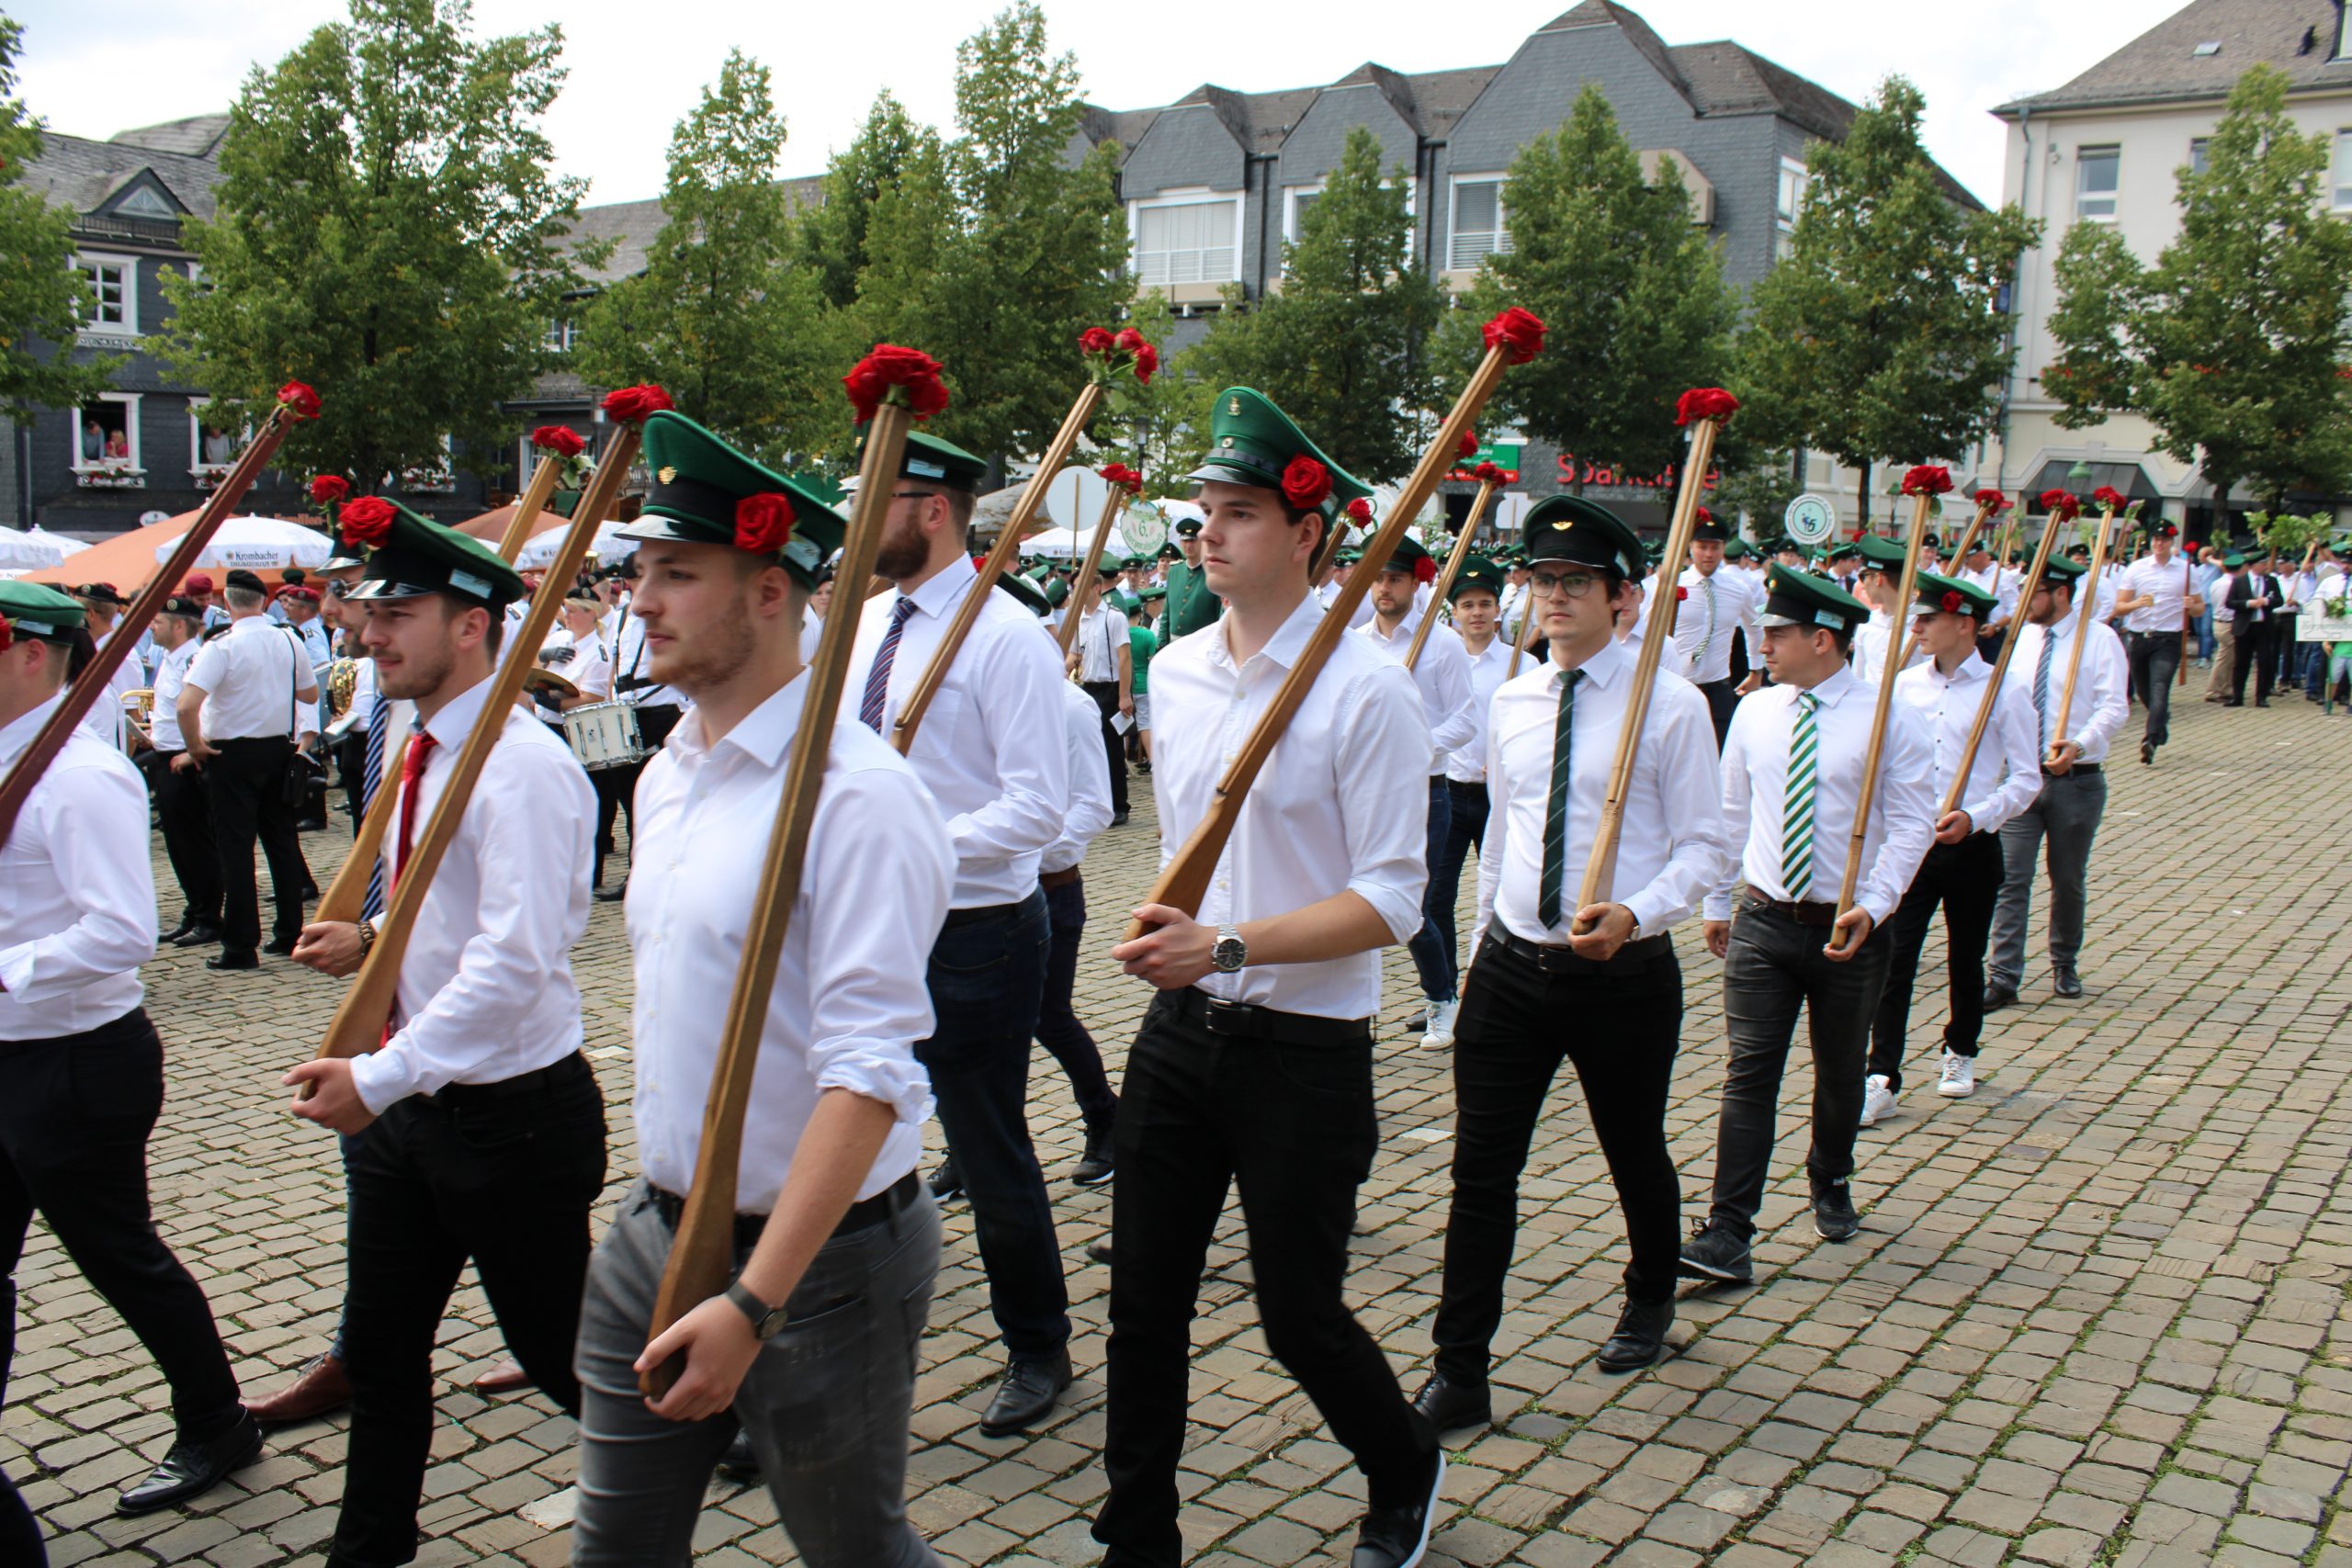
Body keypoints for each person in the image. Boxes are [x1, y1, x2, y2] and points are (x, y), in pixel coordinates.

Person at [560, 413, 950, 1567]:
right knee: (615, 1551)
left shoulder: (859, 797)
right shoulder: (669, 774)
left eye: (676, 574)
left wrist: (751, 1303)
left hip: (822, 1266)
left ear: (770, 591)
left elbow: (870, 1075)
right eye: (640, 572)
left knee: (856, 1553)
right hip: (655, 1228)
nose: (639, 601)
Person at [1095, 388, 1443, 1568]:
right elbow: (1185, 844)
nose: (1209, 531)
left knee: (1298, 1315)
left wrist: (1228, 945)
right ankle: (1138, 1533)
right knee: (1143, 1302)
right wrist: (1175, 932)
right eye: (1206, 509)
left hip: (1304, 1053)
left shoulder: (1365, 687)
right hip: (1180, 1036)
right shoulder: (1181, 670)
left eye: (1239, 512)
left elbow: (1393, 899)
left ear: (1307, 533)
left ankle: (1404, 1465)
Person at [281, 502, 605, 1568]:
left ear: (471, 626)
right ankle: (369, 1547)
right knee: (381, 1351)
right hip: (408, 1102)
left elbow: (516, 962)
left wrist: (378, 1077)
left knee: (560, 1355)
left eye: (397, 615)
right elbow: (450, 912)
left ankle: (718, 1435)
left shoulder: (522, 767)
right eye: (368, 612)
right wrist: (374, 937)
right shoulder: (423, 745)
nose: (368, 634)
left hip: (507, 1119)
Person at [1412, 500, 1729, 1432]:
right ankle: (1460, 1369)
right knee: (1481, 1171)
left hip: (1621, 974)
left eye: (1576, 582)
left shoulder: (1667, 705)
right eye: (1543, 580)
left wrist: (1638, 911)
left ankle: (1650, 1293)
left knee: (1632, 1149)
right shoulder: (1511, 699)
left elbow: (1706, 846)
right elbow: (1507, 843)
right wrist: (1480, 950)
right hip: (1513, 969)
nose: (1554, 596)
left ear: (1621, 597)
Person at [0, 581, 264, 1519]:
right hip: (14, 1050)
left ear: (32, 653)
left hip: (74, 1060)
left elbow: (121, 930)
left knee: (118, 1253)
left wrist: (5, 970)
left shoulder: (76, 775)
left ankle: (217, 1419)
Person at [850, 430, 1073, 1437]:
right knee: (837, 1140)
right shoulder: (863, 623)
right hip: (863, 921)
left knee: (987, 1151)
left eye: (879, 497)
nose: (859, 518)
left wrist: (910, 842)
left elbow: (1037, 808)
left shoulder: (1006, 635)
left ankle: (1039, 1346)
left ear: (933, 509)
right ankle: (817, 1363)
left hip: (974, 932)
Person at [1679, 566, 1934, 1285]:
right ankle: (1729, 1228)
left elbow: (1912, 823)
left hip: (1848, 929)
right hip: (1765, 919)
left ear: (1823, 638)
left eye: (1777, 633)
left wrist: (1874, 903)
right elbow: (1730, 812)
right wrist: (1718, 901)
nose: (1762, 644)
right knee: (1749, 1072)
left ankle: (1831, 1172)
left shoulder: (1888, 716)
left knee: (1840, 1070)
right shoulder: (1757, 711)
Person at [1860, 572, 2040, 1121]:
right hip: (1912, 844)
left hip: (1972, 844)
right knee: (1895, 960)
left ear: (1964, 624)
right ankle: (1881, 1075)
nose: (1916, 629)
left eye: (1927, 619)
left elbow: (2026, 779)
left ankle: (1960, 1050)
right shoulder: (1903, 686)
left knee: (1965, 957)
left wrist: (1976, 815)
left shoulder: (2003, 690)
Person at [996, 572, 1121, 1188]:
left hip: (1049, 889)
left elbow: (1093, 806)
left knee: (1048, 1016)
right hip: (983, 894)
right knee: (982, 1029)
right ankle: (974, 1148)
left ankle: (1106, 1120)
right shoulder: (984, 696)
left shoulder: (1069, 706)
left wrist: (1026, 852)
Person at [1351, 533, 1476, 1049]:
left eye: (1396, 578)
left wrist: (1415, 746)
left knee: (1412, 906)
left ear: (1416, 581)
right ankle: (1357, 1011)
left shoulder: (1442, 643)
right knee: (1356, 900)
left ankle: (1442, 999)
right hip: (1367, 789)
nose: (1385, 588)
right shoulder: (1355, 643)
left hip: (1425, 791)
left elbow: (1466, 720)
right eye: (1378, 578)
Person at [1985, 556, 2126, 1007]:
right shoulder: (2022, 639)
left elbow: (2114, 707)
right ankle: (2003, 975)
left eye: (2034, 592)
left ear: (2061, 593)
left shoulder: (2099, 639)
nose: (2024, 600)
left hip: (2076, 781)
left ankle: (2064, 961)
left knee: (2067, 878)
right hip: (2022, 779)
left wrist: (2080, 744)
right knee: (2010, 877)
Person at [176, 568, 318, 970]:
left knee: (236, 849)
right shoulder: (288, 639)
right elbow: (310, 694)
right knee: (282, 842)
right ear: (264, 602)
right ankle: (289, 933)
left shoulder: (221, 646)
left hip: (231, 755)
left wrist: (195, 747)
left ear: (227, 602)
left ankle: (241, 946)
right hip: (277, 749)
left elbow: (186, 706)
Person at [1424, 558, 1513, 1018]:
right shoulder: (1441, 656)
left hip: (1500, 798)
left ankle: (1492, 994)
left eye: (1485, 603)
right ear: (1454, 612)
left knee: (1498, 895)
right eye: (1467, 605)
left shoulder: (1522, 664)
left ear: (1498, 609)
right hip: (1451, 793)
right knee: (1437, 898)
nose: (1477, 612)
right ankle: (1444, 993)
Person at [145, 594, 222, 950]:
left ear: (179, 625)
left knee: (195, 843)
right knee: (178, 844)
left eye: (158, 622)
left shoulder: (194, 659)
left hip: (184, 759)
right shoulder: (169, 658)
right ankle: (194, 909)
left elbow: (204, 710)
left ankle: (209, 917)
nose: (152, 627)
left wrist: (193, 751)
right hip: (164, 755)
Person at [1670, 510, 1763, 746]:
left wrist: (1756, 671)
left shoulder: (1738, 589)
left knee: (1718, 754)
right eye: (1702, 546)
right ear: (1691, 547)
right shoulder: (1672, 585)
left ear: (1723, 548)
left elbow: (1755, 629)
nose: (1708, 554)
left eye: (1715, 547)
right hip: (1678, 686)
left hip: (1718, 689)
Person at [2112, 522, 2202, 763]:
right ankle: (2160, 720)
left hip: (2169, 638)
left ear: (2172, 542)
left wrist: (2191, 606)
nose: (2159, 544)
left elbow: (2200, 608)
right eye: (2155, 539)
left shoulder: (2187, 570)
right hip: (2140, 637)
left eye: (2164, 540)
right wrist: (2136, 604)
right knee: (2144, 691)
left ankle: (2150, 739)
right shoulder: (2136, 568)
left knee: (2160, 686)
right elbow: (2119, 606)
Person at [1066, 571, 1134, 828]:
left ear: (1096, 588)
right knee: (1090, 748)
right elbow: (1075, 655)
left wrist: (1124, 695)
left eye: (1080, 586)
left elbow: (1124, 657)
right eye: (1073, 587)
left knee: (1112, 748)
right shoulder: (1078, 620)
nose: (1075, 592)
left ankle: (1119, 805)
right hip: (1088, 687)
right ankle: (1097, 803)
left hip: (1110, 687)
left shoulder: (1113, 617)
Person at [2228, 553, 2285, 706]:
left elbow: (2280, 600)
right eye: (2262, 564)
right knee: (2241, 662)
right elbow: (2230, 602)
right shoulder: (2239, 581)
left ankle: (2261, 696)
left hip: (2263, 627)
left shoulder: (2271, 581)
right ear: (2253, 566)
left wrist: (2267, 601)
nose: (2265, 566)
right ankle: (2237, 696)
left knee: (2265, 662)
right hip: (2245, 627)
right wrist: (2248, 603)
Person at [1160, 514, 1222, 639]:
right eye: (1185, 541)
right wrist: (1161, 641)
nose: (1188, 545)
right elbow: (1167, 611)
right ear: (1180, 542)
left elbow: (1220, 614)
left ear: (1201, 542)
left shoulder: (1213, 572)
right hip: (1174, 641)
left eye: (1192, 541)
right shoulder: (1174, 571)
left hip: (1201, 642)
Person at [2204, 551, 2245, 704]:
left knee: (2229, 659)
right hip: (2228, 623)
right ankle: (2213, 690)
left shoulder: (2217, 582)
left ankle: (2225, 688)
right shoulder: (2232, 584)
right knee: (2224, 658)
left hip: (2219, 621)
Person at [1127, 592, 1159, 771]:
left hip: (1126, 684)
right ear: (1139, 614)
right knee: (1145, 722)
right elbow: (1154, 662)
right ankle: (1153, 759)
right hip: (1144, 683)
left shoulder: (1120, 635)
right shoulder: (1147, 635)